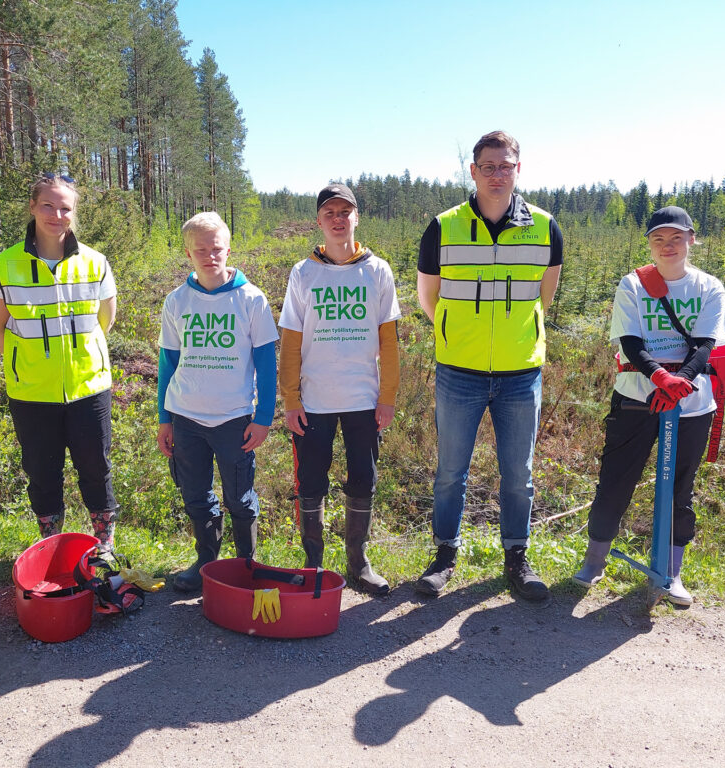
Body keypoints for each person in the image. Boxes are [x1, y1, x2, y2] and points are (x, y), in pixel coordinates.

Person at [415, 131, 563, 601]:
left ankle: (517, 557)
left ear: (518, 170)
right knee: (449, 472)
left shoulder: (545, 227)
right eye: (489, 166)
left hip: (521, 374)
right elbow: (428, 297)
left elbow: (546, 295)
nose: (498, 174)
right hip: (459, 371)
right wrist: (459, 332)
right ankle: (444, 556)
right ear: (473, 171)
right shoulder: (443, 227)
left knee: (518, 474)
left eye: (507, 165)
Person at [572, 206, 725, 606]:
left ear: (691, 239)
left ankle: (672, 574)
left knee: (680, 489)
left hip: (692, 403)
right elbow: (630, 341)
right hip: (636, 397)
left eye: (676, 238)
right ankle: (594, 562)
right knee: (616, 480)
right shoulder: (634, 285)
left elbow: (705, 344)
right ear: (649, 244)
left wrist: (681, 383)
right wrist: (660, 378)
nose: (668, 246)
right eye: (659, 239)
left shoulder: (709, 287)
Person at [0, 174, 120, 547]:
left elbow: (105, 321)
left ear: (74, 214)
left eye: (65, 208)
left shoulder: (95, 262)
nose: (56, 215)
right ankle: (50, 547)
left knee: (96, 469)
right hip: (31, 391)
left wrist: (78, 358)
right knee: (42, 473)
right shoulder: (5, 265)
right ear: (32, 207)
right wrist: (24, 361)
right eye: (48, 205)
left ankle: (104, 547)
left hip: (89, 387)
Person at [278, 183, 401, 595]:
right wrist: (290, 400)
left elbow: (389, 341)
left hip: (362, 399)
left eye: (344, 211)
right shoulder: (303, 272)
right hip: (314, 401)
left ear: (356, 218)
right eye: (329, 212)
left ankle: (358, 562)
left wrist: (387, 397)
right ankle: (314, 562)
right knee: (311, 480)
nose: (337, 218)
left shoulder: (377, 270)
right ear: (318, 220)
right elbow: (291, 341)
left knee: (362, 478)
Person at [157, 212, 279, 592]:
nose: (210, 256)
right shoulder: (177, 301)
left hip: (234, 420)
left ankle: (245, 566)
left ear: (228, 249)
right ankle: (206, 562)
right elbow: (168, 363)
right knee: (195, 494)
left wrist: (263, 418)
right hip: (186, 418)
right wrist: (165, 418)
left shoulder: (251, 299)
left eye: (216, 249)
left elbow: (265, 363)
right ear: (189, 253)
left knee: (239, 498)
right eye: (201, 250)